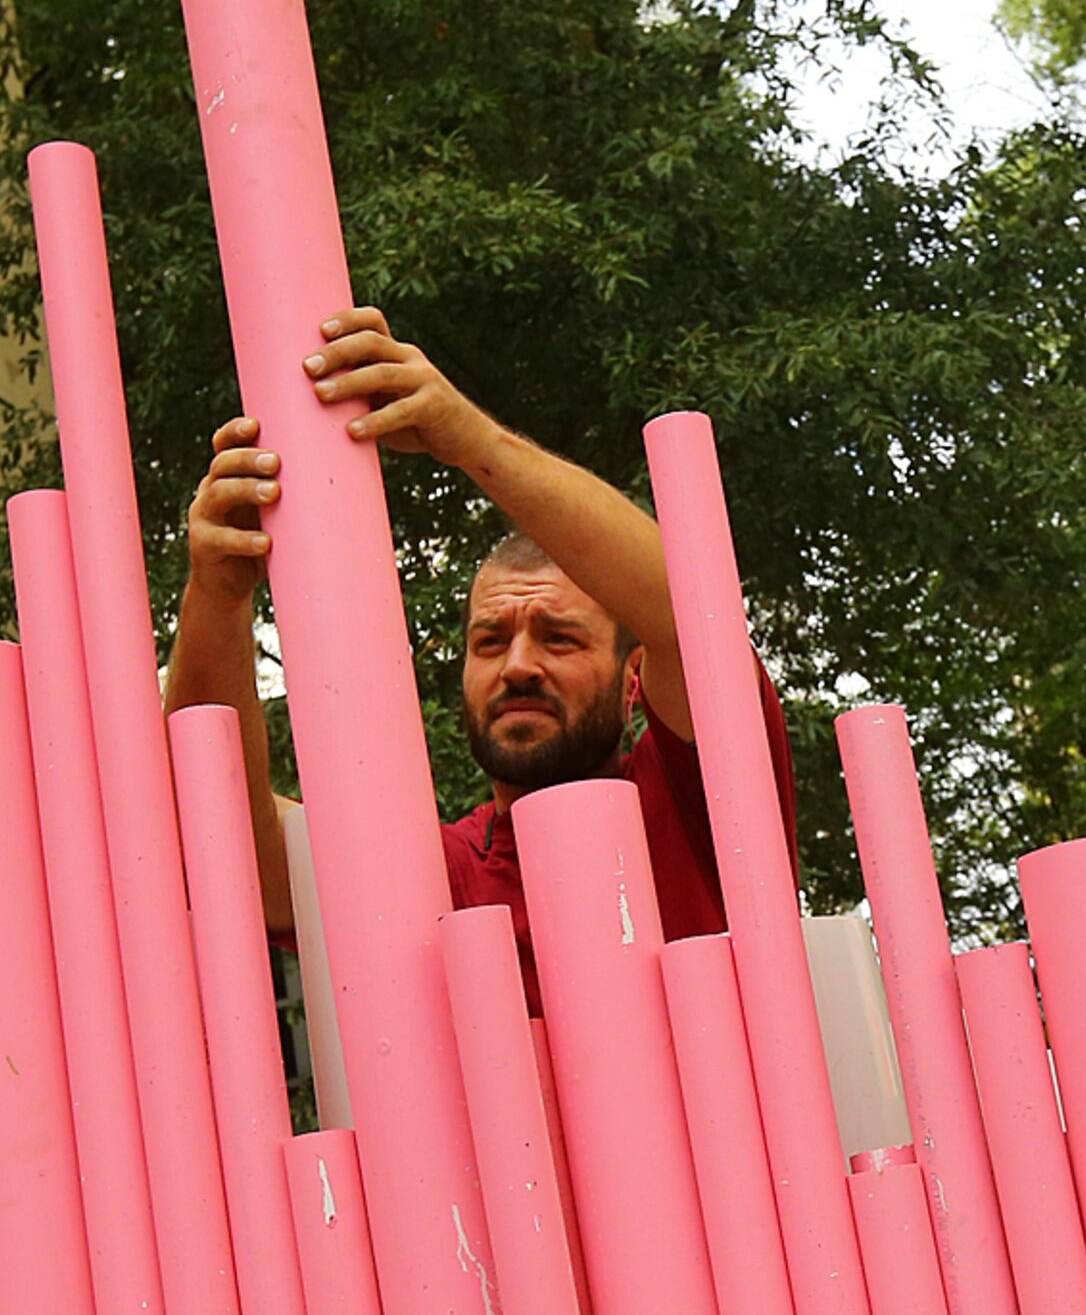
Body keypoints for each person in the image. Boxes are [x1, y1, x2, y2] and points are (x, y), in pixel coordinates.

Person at [165, 307, 791, 984]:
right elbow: (219, 832)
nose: (519, 666)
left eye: (560, 637)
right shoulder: (436, 875)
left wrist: (470, 439)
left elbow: (692, 616)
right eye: (490, 641)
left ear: (632, 677)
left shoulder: (705, 802)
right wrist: (217, 594)